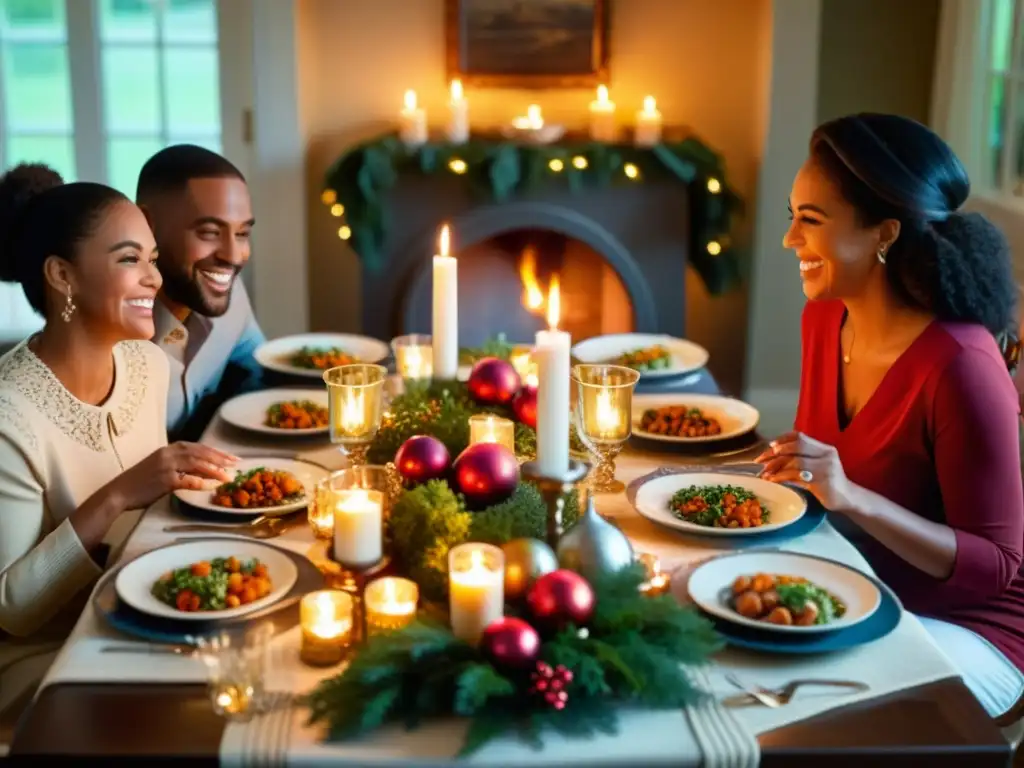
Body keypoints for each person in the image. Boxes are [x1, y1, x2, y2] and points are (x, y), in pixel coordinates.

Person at [757, 112, 1024, 721]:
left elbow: (996, 568)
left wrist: (851, 496)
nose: (790, 240)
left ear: (883, 233)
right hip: (863, 585)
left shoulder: (960, 364)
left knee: (814, 725)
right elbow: (821, 469)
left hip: (971, 626)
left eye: (811, 220)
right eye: (791, 215)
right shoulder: (825, 319)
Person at [0, 164, 237, 728]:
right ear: (62, 274)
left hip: (143, 615)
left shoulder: (145, 364)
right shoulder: (10, 416)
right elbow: (12, 609)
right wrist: (118, 495)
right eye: (130, 259)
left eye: (153, 259)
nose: (154, 279)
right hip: (47, 663)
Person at [136, 145, 263, 441]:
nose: (233, 256)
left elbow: (260, 367)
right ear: (146, 226)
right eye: (209, 232)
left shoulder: (228, 291)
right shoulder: (109, 339)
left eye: (242, 233)